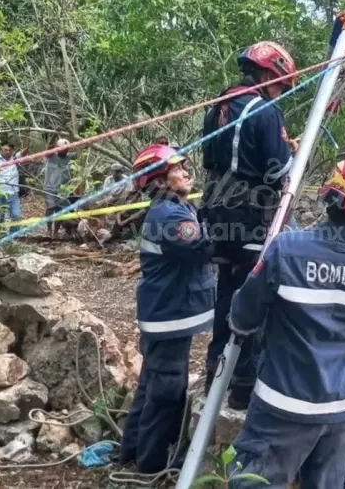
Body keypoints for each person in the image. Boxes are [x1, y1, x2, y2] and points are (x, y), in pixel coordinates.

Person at [226, 159, 345, 489]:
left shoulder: (287, 248)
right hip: (343, 411)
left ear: (329, 198)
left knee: (253, 481)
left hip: (282, 406)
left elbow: (243, 315)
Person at [201, 40, 299, 409]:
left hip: (217, 213)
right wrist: (289, 150)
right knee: (252, 297)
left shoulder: (218, 107)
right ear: (268, 76)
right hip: (250, 218)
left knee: (226, 290)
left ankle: (215, 370)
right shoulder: (266, 111)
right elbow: (278, 171)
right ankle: (242, 385)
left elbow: (220, 159)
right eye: (279, 86)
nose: (280, 94)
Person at [120, 143, 215, 473]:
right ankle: (152, 466)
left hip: (164, 314)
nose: (186, 172)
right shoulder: (170, 216)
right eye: (177, 169)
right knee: (166, 393)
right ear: (158, 180)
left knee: (150, 386)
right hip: (169, 317)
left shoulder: (174, 208)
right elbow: (204, 247)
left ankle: (130, 451)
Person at [0, 137, 29, 235]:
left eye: (10, 150)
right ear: (1, 150)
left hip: (13, 193)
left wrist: (27, 135)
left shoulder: (16, 159)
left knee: (16, 216)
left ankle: (14, 236)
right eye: (5, 150)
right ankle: (0, 236)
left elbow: (25, 150)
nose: (8, 152)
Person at [44, 138, 72, 238]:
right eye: (63, 149)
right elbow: (48, 149)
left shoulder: (70, 159)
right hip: (50, 187)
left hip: (63, 189)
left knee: (60, 211)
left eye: (66, 149)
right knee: (50, 207)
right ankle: (48, 230)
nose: (65, 151)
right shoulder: (51, 156)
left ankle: (56, 231)